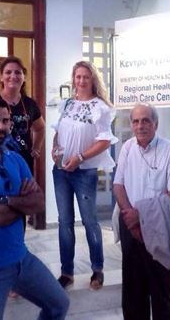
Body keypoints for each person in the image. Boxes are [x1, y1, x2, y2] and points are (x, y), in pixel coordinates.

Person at [0, 95, 69, 320]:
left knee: (59, 304)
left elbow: (39, 203)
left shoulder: (15, 159)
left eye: (5, 121)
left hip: (19, 258)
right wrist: (20, 204)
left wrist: (5, 200)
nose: (1, 126)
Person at [113, 103, 170, 320]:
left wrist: (140, 215)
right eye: (136, 121)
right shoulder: (127, 148)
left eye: (146, 120)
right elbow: (118, 185)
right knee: (133, 293)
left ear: (156, 124)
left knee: (161, 291)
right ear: (131, 124)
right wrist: (131, 218)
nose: (140, 126)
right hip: (130, 225)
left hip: (159, 227)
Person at [51, 60, 117, 290]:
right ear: (73, 79)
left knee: (90, 221)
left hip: (84, 173)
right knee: (64, 222)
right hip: (61, 172)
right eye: (78, 77)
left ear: (93, 80)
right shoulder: (67, 104)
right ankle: (66, 272)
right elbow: (59, 131)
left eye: (86, 77)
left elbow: (104, 141)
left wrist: (79, 157)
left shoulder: (100, 107)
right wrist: (54, 148)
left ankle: (97, 270)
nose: (81, 81)